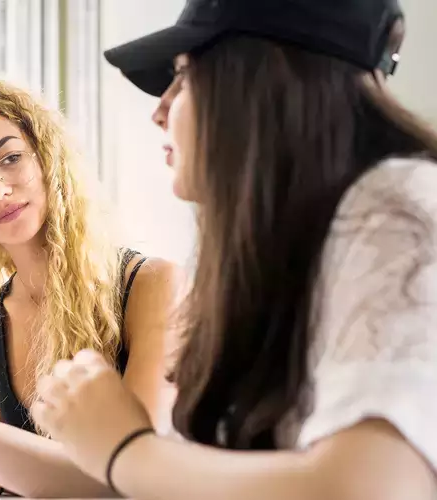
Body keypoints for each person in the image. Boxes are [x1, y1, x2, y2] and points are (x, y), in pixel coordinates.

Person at [28, 0, 437, 499]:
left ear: (259, 83)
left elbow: (375, 488)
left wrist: (125, 450)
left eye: (181, 78)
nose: (159, 111)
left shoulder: (401, 208)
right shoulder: (256, 250)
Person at [0, 80, 178, 496]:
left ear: (46, 158)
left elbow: (135, 478)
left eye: (10, 159)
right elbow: (0, 469)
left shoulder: (151, 286)